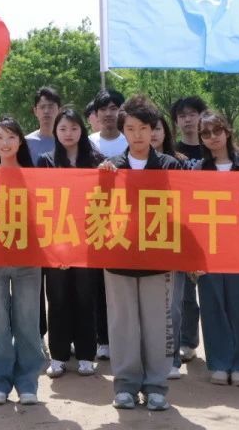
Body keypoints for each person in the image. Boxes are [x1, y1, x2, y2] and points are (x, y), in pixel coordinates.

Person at [98, 96, 181, 412]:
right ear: (123, 131)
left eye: (143, 128)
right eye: (130, 128)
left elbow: (185, 210)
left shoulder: (169, 166)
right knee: (122, 323)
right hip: (118, 256)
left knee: (157, 323)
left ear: (154, 130)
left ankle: (157, 385)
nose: (137, 135)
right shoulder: (111, 167)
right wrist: (101, 181)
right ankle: (125, 385)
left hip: (158, 258)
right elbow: (96, 210)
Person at [0, 116, 45, 405]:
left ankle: (28, 381)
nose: (5, 143)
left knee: (27, 321)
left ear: (20, 141)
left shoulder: (35, 176)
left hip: (28, 259)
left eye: (10, 137)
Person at [192, 111, 239, 387]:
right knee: (212, 305)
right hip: (208, 248)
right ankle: (219, 362)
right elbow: (191, 213)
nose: (212, 137)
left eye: (217, 131)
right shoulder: (198, 170)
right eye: (206, 134)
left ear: (227, 131)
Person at [37, 108, 101, 378]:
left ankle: (86, 354)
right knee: (58, 298)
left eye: (74, 128)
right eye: (63, 128)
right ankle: (59, 356)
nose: (68, 134)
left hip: (87, 241)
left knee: (86, 297)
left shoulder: (96, 160)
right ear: (55, 131)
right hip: (57, 240)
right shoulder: (46, 161)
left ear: (82, 131)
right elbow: (40, 200)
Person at [170, 96, 207, 363]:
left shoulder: (213, 146)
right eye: (182, 116)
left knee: (213, 291)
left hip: (212, 226)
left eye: (192, 114)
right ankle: (187, 340)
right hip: (183, 228)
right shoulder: (173, 153)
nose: (188, 120)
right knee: (184, 293)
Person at [25, 87, 60, 164]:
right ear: (35, 111)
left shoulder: (68, 141)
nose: (46, 111)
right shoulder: (26, 143)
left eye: (50, 107)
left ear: (59, 110)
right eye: (42, 107)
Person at [87, 90, 128, 157]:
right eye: (103, 109)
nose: (108, 114)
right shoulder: (88, 143)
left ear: (122, 111)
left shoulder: (130, 143)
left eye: (113, 109)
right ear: (96, 114)